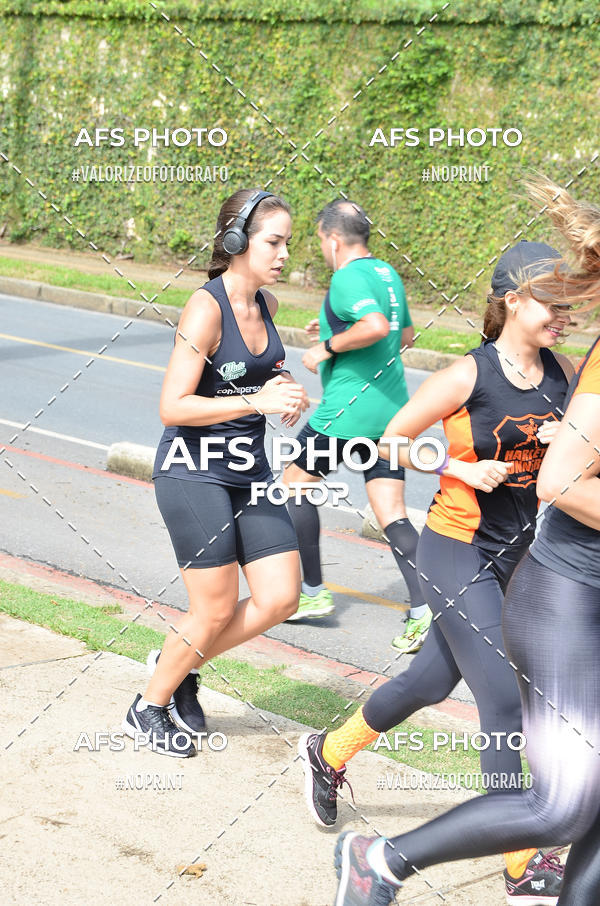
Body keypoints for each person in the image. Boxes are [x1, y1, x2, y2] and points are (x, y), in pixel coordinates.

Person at [330, 178, 600, 906]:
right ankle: (521, 864)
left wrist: (560, 436)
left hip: (524, 562)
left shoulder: (568, 377)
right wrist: (456, 464)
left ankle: (327, 755)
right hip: (457, 549)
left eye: (573, 306)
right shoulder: (467, 374)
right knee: (505, 706)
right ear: (512, 300)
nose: (566, 317)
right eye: (554, 304)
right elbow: (387, 443)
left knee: (429, 681)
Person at [122, 188, 309, 756]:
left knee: (281, 598)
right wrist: (256, 403)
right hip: (192, 469)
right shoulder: (206, 308)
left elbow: (256, 383)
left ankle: (180, 661)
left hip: (249, 471)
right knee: (215, 608)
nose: (283, 255)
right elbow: (173, 406)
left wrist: (285, 398)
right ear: (235, 241)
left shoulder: (268, 307)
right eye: (273, 242)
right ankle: (147, 707)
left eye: (287, 244)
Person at [283, 199, 428, 648]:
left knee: (293, 485)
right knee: (392, 513)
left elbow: (375, 324)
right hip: (390, 412)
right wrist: (332, 331)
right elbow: (404, 334)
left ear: (332, 239)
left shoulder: (345, 276)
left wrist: (325, 350)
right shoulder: (386, 273)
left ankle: (311, 594)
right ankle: (425, 610)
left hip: (345, 413)